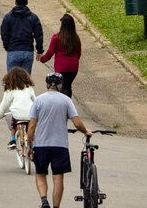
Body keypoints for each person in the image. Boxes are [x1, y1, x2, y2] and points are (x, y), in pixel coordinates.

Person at [29, 73, 89, 207]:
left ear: (47, 84)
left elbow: (32, 125)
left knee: (40, 173)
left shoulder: (38, 100)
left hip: (41, 145)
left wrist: (29, 144)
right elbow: (77, 123)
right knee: (58, 177)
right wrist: (86, 131)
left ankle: (44, 201)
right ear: (61, 85)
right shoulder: (66, 100)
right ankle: (56, 207)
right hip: (60, 145)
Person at [0, 67, 36, 163]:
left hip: (17, 114)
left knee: (13, 119)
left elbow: (4, 104)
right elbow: (35, 100)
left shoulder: (10, 90)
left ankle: (13, 139)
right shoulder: (29, 88)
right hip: (30, 113)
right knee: (30, 127)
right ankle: (33, 143)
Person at [0, 0, 46, 73]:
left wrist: (7, 46)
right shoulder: (33, 17)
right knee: (25, 79)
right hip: (27, 51)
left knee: (12, 79)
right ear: (27, 2)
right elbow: (38, 35)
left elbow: (4, 34)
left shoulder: (8, 17)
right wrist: (39, 50)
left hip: (13, 50)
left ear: (15, 1)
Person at [40, 13, 81, 98]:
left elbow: (50, 52)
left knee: (62, 87)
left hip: (61, 67)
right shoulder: (76, 38)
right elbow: (78, 53)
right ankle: (68, 102)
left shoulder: (56, 37)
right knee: (68, 85)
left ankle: (63, 103)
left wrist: (42, 59)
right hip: (73, 67)